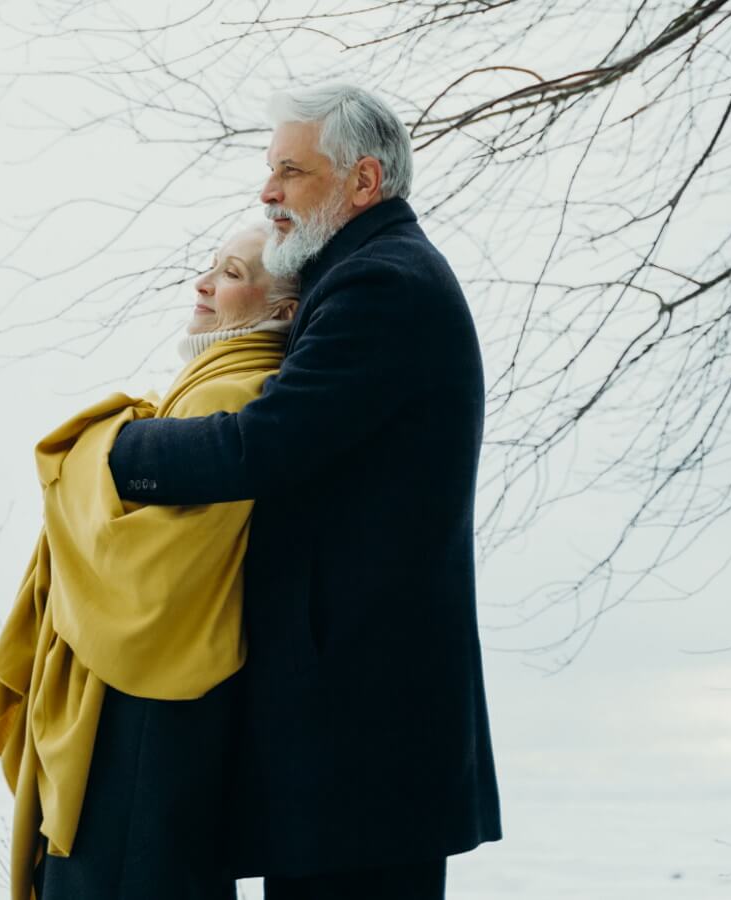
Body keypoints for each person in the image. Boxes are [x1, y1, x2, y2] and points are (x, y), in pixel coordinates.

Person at [107, 83, 503, 899]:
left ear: (363, 182)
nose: (267, 192)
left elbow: (264, 445)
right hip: (355, 740)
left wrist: (116, 451)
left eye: (290, 171)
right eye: (268, 171)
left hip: (362, 740)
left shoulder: (381, 287)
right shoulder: (363, 276)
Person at [0, 224, 299, 900]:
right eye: (209, 267)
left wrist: (92, 454)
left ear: (284, 311)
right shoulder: (218, 387)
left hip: (146, 711)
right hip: (159, 708)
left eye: (233, 273)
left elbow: (142, 569)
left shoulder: (234, 394)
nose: (204, 284)